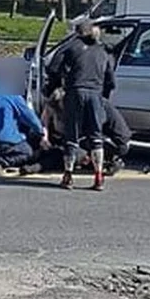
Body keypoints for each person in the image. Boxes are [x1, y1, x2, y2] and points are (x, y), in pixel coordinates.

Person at [45, 19, 115, 191]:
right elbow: (110, 80)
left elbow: (52, 67)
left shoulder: (71, 46)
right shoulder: (104, 51)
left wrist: (57, 84)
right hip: (95, 94)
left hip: (75, 92)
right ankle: (99, 177)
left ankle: (68, 176)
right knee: (96, 135)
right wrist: (102, 95)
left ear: (77, 32)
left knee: (71, 134)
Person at [0, 82, 50, 175]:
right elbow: (30, 118)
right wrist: (41, 132)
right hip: (2, 140)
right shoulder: (13, 94)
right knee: (27, 152)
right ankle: (0, 161)